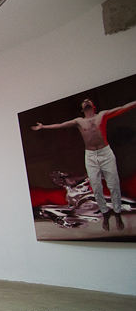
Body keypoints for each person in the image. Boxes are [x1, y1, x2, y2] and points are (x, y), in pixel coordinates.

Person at [32, 98, 136, 231]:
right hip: (91, 155)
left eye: (88, 100)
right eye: (84, 101)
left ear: (93, 106)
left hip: (105, 152)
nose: (86, 101)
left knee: (113, 184)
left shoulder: (102, 115)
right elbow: (62, 125)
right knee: (96, 187)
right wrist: (43, 127)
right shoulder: (79, 121)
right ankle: (105, 215)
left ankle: (117, 214)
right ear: (82, 109)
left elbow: (122, 108)